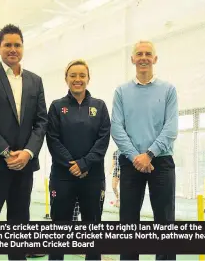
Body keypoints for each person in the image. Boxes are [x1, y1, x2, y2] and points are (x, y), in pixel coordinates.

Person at [0, 24, 47, 261]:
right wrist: (5, 152)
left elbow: (41, 121)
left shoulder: (35, 81)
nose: (12, 49)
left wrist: (27, 152)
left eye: (17, 45)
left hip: (24, 165)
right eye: (8, 45)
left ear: (22, 47)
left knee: (19, 223)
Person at [111, 40, 178, 260]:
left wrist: (148, 154)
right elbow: (117, 128)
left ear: (155, 59)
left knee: (165, 221)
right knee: (128, 221)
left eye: (148, 54)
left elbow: (171, 128)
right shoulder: (121, 92)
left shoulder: (168, 90)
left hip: (161, 160)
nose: (143, 57)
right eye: (139, 54)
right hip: (131, 162)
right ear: (132, 59)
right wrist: (135, 157)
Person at [46, 59, 110, 261]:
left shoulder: (99, 107)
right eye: (73, 75)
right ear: (66, 79)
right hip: (62, 177)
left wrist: (84, 163)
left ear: (88, 78)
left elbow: (103, 139)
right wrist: (72, 164)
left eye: (82, 75)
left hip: (92, 177)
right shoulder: (57, 107)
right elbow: (52, 139)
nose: (77, 79)